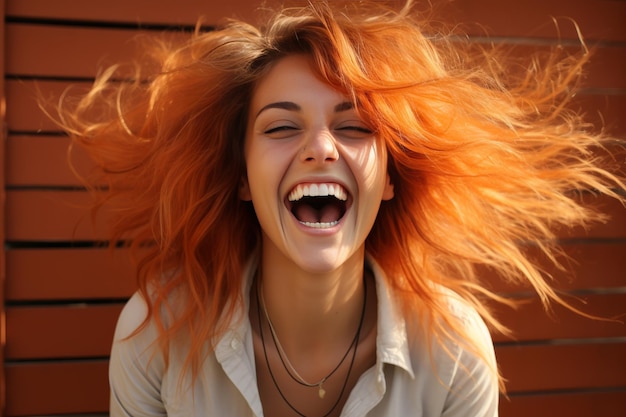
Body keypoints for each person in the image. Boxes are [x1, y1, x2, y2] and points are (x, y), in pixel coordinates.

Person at [58, 1, 624, 416]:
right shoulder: (154, 335)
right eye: (281, 127)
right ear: (242, 180)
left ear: (390, 179)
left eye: (353, 127)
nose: (322, 147)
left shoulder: (454, 351)